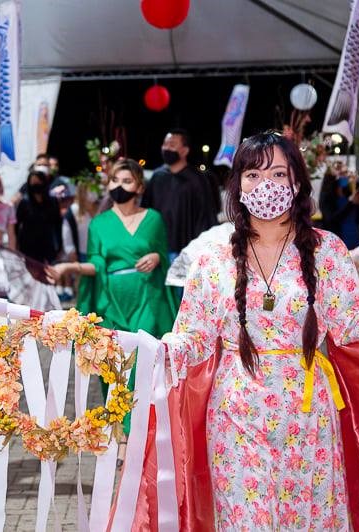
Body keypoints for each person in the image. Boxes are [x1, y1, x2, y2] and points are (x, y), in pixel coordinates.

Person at [145, 132, 359, 529]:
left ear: (297, 182)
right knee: (247, 522)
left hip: (307, 413)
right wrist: (165, 348)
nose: (266, 185)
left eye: (278, 173)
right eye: (253, 174)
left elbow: (348, 327)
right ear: (237, 184)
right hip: (236, 415)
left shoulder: (327, 251)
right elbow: (194, 335)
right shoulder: (211, 258)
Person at [47, 159, 177, 444]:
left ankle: (134, 438)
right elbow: (96, 263)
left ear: (139, 186)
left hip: (147, 297)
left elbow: (163, 257)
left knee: (140, 367)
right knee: (113, 370)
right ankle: (120, 432)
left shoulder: (154, 218)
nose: (119, 186)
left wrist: (156, 258)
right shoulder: (99, 224)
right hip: (111, 301)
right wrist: (69, 268)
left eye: (127, 181)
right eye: (115, 180)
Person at [141, 129, 218, 261]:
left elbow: (206, 215)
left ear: (185, 151)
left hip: (186, 249)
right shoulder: (157, 176)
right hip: (158, 248)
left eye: (172, 145)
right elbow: (146, 209)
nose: (166, 148)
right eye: (165, 144)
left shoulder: (197, 180)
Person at [15, 170, 62, 264]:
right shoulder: (24, 203)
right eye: (33, 183)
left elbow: (58, 224)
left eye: (38, 183)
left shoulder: (53, 202)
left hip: (48, 244)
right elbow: (17, 224)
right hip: (28, 246)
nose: (36, 186)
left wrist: (60, 245)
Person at [319, 161, 359, 249]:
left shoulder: (350, 191)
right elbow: (331, 219)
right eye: (341, 173)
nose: (346, 176)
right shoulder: (326, 197)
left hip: (355, 241)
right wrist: (351, 203)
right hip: (337, 245)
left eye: (346, 172)